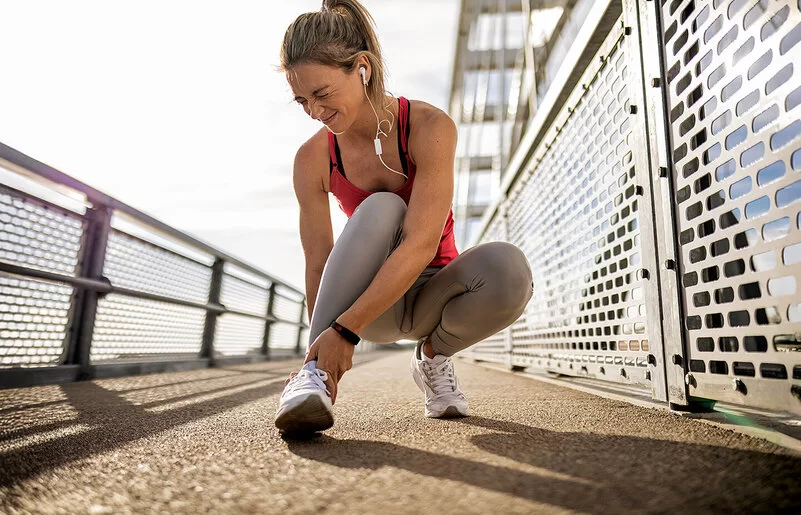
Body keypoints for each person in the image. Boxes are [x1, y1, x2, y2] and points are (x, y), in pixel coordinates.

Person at [274, 0, 534, 434]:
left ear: (362, 68)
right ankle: (310, 378)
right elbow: (319, 262)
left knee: (509, 268)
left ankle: (433, 358)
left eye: (321, 94)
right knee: (382, 205)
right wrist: (323, 344)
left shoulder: (430, 126)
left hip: (438, 292)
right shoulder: (312, 159)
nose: (313, 112)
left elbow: (420, 244)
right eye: (301, 100)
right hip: (374, 305)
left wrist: (345, 333)